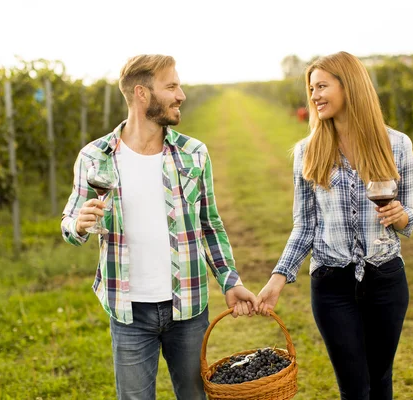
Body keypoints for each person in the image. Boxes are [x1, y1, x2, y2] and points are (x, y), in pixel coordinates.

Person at [61, 54, 258, 400]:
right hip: (128, 311)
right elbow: (69, 223)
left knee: (195, 396)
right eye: (171, 86)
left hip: (188, 307)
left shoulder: (193, 154)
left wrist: (230, 280)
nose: (180, 94)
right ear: (142, 94)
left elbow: (210, 225)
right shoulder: (95, 157)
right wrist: (78, 223)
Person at [257, 51, 413, 400]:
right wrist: (278, 278)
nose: (314, 96)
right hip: (332, 285)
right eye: (311, 88)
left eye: (322, 86)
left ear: (350, 86)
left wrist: (400, 215)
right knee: (355, 388)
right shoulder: (308, 151)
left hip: (386, 280)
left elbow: (409, 221)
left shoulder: (397, 145)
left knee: (381, 380)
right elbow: (305, 226)